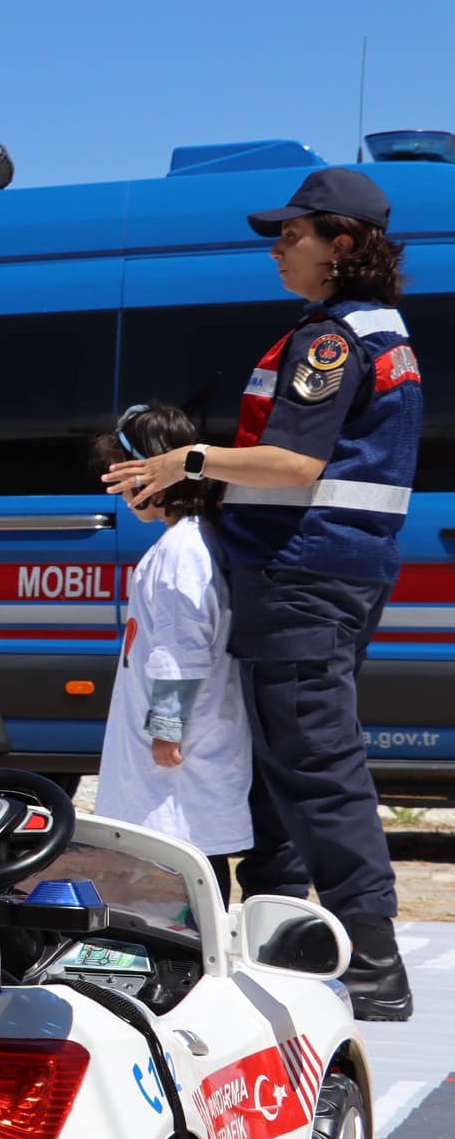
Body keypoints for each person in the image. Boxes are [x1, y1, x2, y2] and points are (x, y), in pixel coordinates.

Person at [106, 168, 422, 1021]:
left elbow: (295, 465)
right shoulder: (367, 332)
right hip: (316, 570)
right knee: (283, 756)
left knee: (316, 763)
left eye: (293, 234)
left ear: (343, 245)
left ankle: (375, 958)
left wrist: (189, 462)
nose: (278, 247)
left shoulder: (333, 341)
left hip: (301, 574)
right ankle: (284, 921)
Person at [91, 404, 249, 900]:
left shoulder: (184, 551)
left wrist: (167, 726)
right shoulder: (181, 544)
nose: (115, 488)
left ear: (152, 474)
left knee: (188, 848)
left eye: (122, 472)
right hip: (177, 743)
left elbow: (184, 647)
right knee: (172, 845)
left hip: (185, 746)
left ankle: (198, 951)